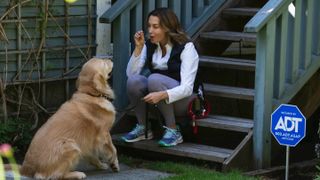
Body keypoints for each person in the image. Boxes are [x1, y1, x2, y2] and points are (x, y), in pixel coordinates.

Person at [121, 8, 199, 147]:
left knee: (154, 79)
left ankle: (173, 130)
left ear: (168, 28)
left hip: (185, 101)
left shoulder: (186, 48)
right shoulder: (150, 45)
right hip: (159, 98)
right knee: (134, 82)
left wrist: (162, 94)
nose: (150, 31)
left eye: (155, 27)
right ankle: (143, 128)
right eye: (149, 26)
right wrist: (138, 48)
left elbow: (187, 88)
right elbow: (131, 75)